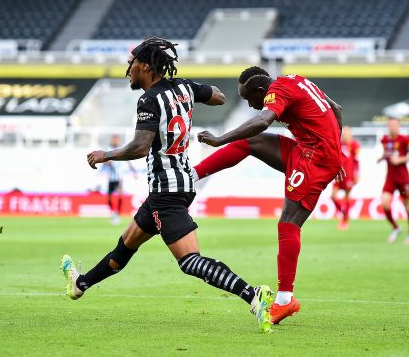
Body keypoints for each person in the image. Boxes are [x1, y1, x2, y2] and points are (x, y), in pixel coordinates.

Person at [61, 37, 275, 333]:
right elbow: (218, 97)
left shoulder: (148, 100)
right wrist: (191, 94)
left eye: (132, 63)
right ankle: (80, 284)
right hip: (180, 183)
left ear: (146, 66)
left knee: (189, 261)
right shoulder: (184, 86)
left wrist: (105, 154)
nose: (129, 68)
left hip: (167, 190)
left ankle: (253, 295)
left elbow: (139, 147)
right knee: (125, 247)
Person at [194, 66, 344, 326]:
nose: (251, 105)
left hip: (315, 158)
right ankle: (192, 176)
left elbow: (263, 120)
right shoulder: (295, 80)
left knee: (288, 224)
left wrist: (219, 139)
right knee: (249, 142)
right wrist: (336, 149)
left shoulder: (277, 91)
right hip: (309, 149)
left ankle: (285, 300)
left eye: (249, 99)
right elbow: (337, 109)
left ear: (261, 91)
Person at [377, 118, 409, 244]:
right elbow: (388, 153)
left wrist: (400, 160)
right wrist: (382, 158)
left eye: (396, 125)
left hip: (403, 179)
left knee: (407, 204)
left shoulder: (406, 140)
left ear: (399, 126)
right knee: (384, 203)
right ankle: (396, 228)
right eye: (391, 125)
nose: (393, 127)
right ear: (388, 126)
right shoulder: (384, 139)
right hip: (390, 178)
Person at [102, 135, 136, 225]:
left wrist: (134, 171)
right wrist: (107, 162)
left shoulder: (121, 149)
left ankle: (118, 214)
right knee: (109, 199)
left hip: (119, 178)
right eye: (114, 140)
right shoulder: (108, 149)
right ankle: (113, 213)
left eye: (116, 140)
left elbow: (128, 161)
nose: (115, 141)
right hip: (111, 178)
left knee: (120, 196)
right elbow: (104, 162)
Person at [331, 126, 360, 230]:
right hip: (338, 174)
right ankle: (344, 215)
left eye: (347, 132)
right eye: (344, 132)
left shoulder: (355, 145)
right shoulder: (340, 143)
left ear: (350, 134)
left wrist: (357, 174)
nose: (345, 134)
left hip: (349, 175)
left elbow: (357, 161)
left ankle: (345, 221)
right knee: (333, 197)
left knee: (347, 197)